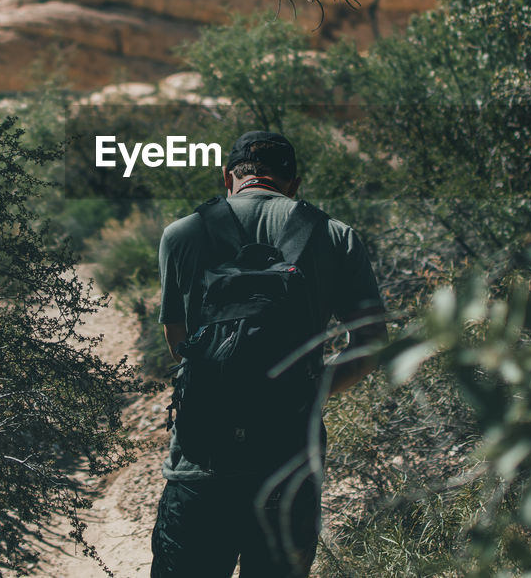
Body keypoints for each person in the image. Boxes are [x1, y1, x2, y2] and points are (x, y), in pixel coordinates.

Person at [151, 130, 387, 577]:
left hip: (202, 462)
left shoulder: (181, 234)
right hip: (290, 463)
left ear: (227, 177)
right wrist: (311, 390)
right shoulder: (336, 236)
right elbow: (371, 344)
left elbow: (179, 343)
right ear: (293, 184)